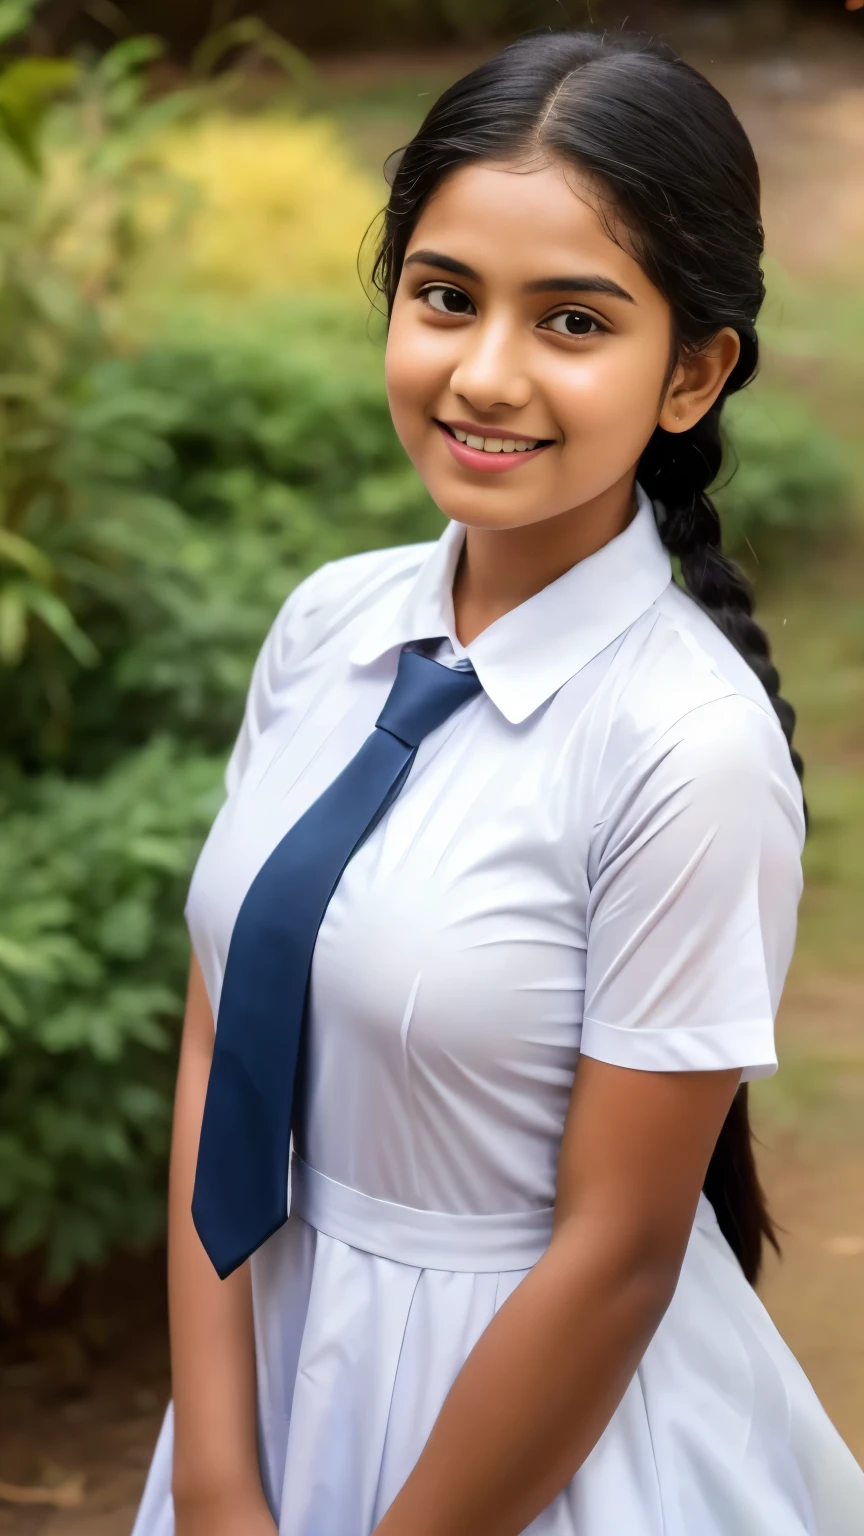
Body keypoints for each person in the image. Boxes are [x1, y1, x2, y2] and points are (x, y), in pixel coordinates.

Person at [132, 29, 864, 1536]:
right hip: (265, 1388)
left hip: (527, 1450)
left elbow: (617, 1254)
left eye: (573, 323)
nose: (485, 374)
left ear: (693, 373)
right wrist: (214, 1475)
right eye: (444, 296)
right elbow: (224, 1030)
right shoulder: (330, 623)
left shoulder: (686, 749)